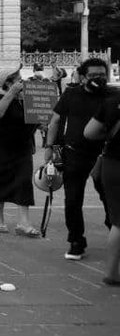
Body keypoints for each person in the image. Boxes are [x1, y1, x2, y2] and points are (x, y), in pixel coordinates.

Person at [44, 58, 114, 260]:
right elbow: (56, 120)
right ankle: (76, 241)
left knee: (109, 197)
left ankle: (114, 231)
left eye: (102, 75)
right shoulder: (72, 94)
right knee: (73, 199)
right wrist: (51, 149)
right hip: (74, 154)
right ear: (83, 77)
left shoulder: (113, 95)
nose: (98, 79)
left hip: (105, 156)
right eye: (93, 75)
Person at [0, 68, 41, 236]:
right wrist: (11, 93)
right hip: (0, 148)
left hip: (22, 147)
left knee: (24, 183)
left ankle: (23, 223)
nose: (21, 81)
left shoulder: (24, 100)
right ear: (8, 83)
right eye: (17, 79)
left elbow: (35, 119)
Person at [85, 90, 120, 286]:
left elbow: (89, 132)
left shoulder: (112, 102)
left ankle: (112, 272)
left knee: (118, 221)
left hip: (114, 163)